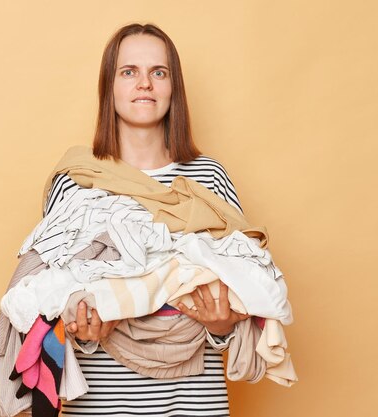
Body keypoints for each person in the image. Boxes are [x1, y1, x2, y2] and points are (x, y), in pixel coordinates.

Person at [41, 23, 251, 417]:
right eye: (129, 72)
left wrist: (222, 327)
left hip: (194, 402)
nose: (145, 84)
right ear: (110, 87)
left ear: (174, 87)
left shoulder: (208, 178)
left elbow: (245, 300)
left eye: (159, 72)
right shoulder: (76, 182)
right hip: (101, 404)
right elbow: (48, 303)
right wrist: (83, 334)